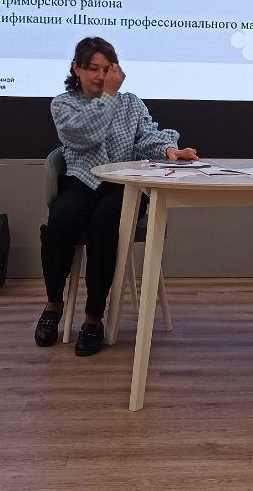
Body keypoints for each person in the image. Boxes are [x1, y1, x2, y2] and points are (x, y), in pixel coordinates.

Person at [36, 36, 199, 356]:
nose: (100, 76)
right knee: (59, 226)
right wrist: (109, 96)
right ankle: (53, 305)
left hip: (123, 184)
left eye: (107, 68)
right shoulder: (64, 104)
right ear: (76, 69)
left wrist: (170, 150)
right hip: (81, 180)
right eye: (93, 68)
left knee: (105, 227)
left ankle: (93, 318)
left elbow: (147, 138)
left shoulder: (130, 103)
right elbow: (87, 135)